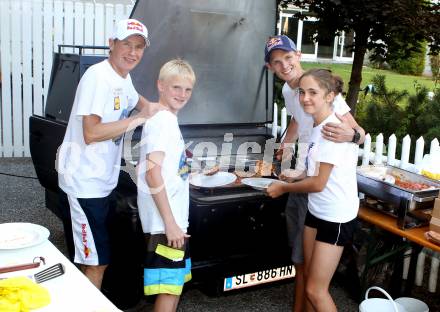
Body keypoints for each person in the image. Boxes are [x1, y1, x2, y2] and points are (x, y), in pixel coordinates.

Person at [264, 35, 365, 312]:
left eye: (287, 58)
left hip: (328, 198)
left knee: (315, 285)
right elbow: (298, 120)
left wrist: (353, 134)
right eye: (276, 61)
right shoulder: (291, 93)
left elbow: (359, 133)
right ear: (270, 67)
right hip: (311, 191)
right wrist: (283, 150)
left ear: (297, 55)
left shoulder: (326, 107)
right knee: (304, 266)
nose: (284, 65)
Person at [57, 19, 160, 289]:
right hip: (84, 184)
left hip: (102, 183)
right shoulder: (97, 77)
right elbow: (91, 133)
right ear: (111, 44)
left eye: (139, 47)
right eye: (127, 44)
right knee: (96, 261)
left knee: (89, 254)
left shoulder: (122, 78)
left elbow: (143, 104)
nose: (133, 52)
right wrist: (137, 120)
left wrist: (166, 119)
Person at [137, 59, 195, 312]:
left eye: (187, 89)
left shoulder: (165, 119)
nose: (182, 94)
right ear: (160, 86)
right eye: (176, 87)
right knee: (169, 292)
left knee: (173, 288)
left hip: (169, 220)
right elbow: (152, 174)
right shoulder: (163, 121)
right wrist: (171, 224)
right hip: (165, 223)